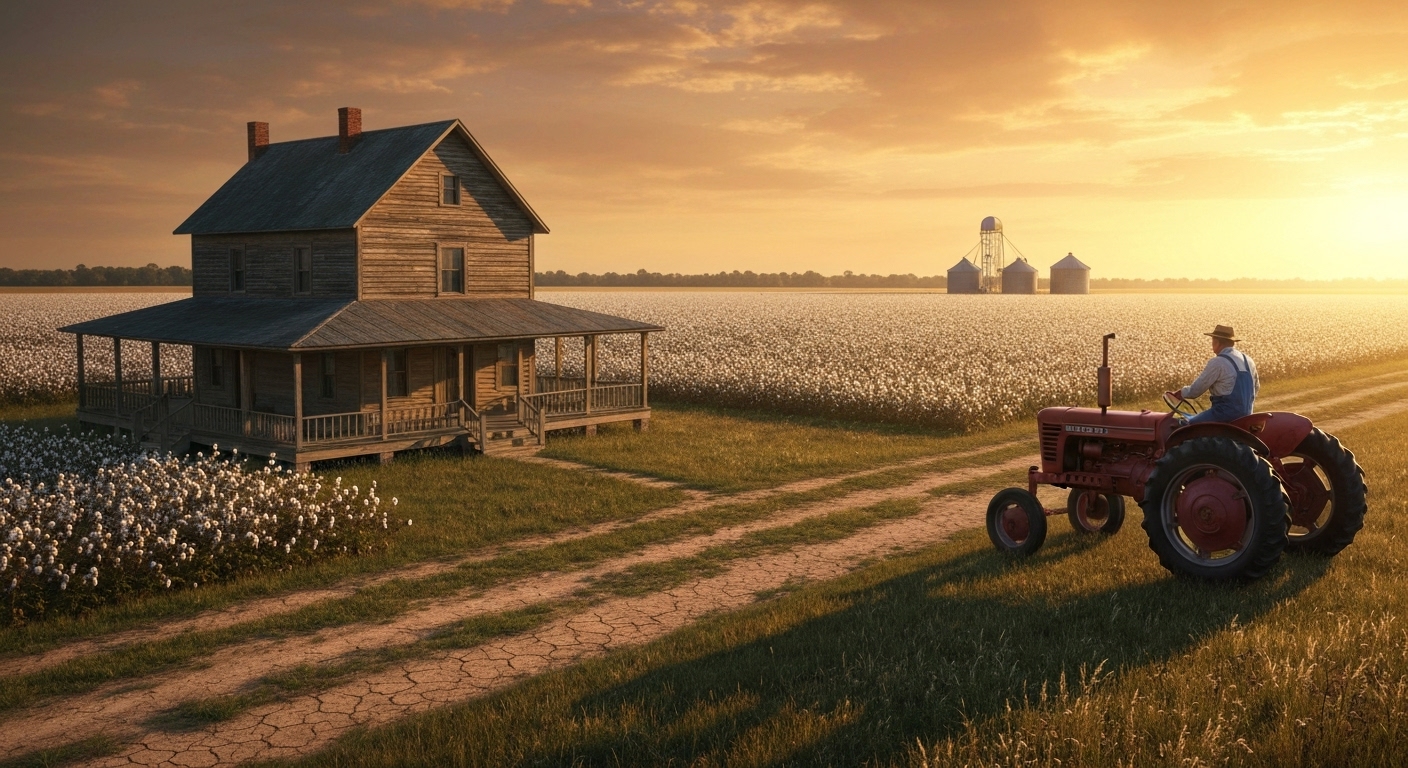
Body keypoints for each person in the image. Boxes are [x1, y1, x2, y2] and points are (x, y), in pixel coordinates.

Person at [1165, 324, 1258, 424]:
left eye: (1213, 341)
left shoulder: (1218, 362)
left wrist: (1182, 393)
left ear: (1217, 342)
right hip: (1247, 415)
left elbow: (1196, 390)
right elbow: (1255, 388)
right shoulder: (1249, 361)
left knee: (1189, 426)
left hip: (1223, 414)